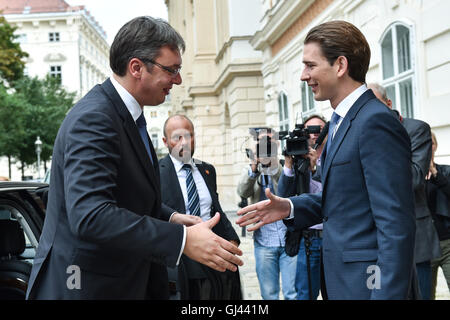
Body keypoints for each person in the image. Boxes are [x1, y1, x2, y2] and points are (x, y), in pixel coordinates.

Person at [25, 16, 242, 300]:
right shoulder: (95, 118)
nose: (177, 80)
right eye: (172, 70)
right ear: (137, 67)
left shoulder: (126, 115)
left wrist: (173, 218)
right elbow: (90, 215)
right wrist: (182, 240)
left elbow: (126, 196)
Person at [236, 20, 416, 300]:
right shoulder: (340, 122)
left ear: (340, 65)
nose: (303, 76)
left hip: (367, 285)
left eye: (310, 65)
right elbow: (345, 200)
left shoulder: (375, 121)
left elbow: (395, 226)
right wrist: (289, 206)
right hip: (342, 283)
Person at [368, 83, 441, 299]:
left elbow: (415, 179)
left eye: (376, 104)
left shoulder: (416, 129)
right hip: (375, 241)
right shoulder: (363, 132)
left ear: (389, 103)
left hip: (415, 238)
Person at [159, 114, 242, 299]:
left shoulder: (207, 170)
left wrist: (231, 240)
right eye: (177, 137)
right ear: (165, 141)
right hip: (180, 258)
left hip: (213, 255)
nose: (184, 142)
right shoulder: (155, 172)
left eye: (188, 136)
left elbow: (216, 209)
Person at [237, 128, 297, 300]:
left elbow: (286, 190)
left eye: (269, 141)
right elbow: (243, 192)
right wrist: (254, 166)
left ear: (277, 144)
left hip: (287, 240)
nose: (266, 146)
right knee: (269, 295)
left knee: (291, 294)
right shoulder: (251, 168)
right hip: (264, 241)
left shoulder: (284, 167)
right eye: (262, 142)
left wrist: (273, 164)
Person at [277, 114, 327, 300]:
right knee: (306, 294)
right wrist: (289, 164)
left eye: (319, 130)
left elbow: (331, 194)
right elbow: (283, 196)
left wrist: (315, 169)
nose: (315, 135)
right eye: (310, 131)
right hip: (309, 239)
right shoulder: (300, 161)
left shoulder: (335, 157)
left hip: (333, 237)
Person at [426, 132, 450, 299]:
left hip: (447, 243)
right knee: (426, 294)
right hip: (425, 247)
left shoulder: (445, 171)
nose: (428, 147)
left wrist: (434, 171)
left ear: (435, 146)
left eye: (431, 143)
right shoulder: (413, 174)